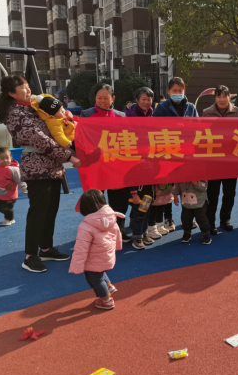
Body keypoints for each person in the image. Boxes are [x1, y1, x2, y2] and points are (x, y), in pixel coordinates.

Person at [0, 75, 80, 273]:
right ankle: (30, 255)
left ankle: (46, 248)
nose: (27, 90)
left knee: (50, 211)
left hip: (53, 167)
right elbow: (40, 140)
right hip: (37, 168)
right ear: (11, 93)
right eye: (22, 88)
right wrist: (70, 156)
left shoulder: (33, 106)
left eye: (27, 86)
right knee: (38, 213)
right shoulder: (15, 113)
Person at [79, 84, 132, 240]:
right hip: (95, 166)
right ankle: (96, 231)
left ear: (113, 98)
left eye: (106, 98)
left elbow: (127, 139)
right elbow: (80, 139)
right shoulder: (86, 115)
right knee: (96, 199)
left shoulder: (121, 116)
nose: (102, 101)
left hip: (116, 165)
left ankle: (119, 230)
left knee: (119, 200)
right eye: (99, 98)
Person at [153, 77, 199, 232]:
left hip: (186, 154)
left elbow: (198, 128)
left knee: (188, 187)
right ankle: (168, 218)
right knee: (166, 187)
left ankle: (189, 217)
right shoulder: (162, 107)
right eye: (174, 91)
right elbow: (154, 129)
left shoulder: (191, 107)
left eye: (180, 90)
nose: (178, 93)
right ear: (168, 91)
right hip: (167, 154)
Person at [68, 189, 122, 310]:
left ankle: (106, 300)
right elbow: (117, 234)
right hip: (107, 256)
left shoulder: (85, 226)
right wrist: (117, 248)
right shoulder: (111, 217)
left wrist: (77, 265)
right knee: (100, 272)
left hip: (93, 259)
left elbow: (81, 248)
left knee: (94, 279)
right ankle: (109, 286)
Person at [202, 85, 238, 234]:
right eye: (219, 96)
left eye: (225, 96)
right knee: (213, 193)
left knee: (229, 193)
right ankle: (210, 222)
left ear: (230, 97)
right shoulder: (207, 113)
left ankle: (225, 219)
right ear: (215, 98)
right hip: (214, 160)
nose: (222, 99)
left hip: (232, 160)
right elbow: (202, 136)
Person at [124, 87, 156, 248]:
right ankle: (137, 237)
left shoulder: (154, 116)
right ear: (137, 100)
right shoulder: (127, 117)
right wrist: (134, 192)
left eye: (149, 99)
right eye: (143, 99)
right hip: (136, 177)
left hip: (149, 177)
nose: (146, 102)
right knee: (138, 210)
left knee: (145, 208)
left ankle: (143, 233)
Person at [172, 180, 212, 244]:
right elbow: (176, 183)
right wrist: (175, 195)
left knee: (201, 218)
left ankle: (206, 234)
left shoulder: (201, 173)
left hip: (199, 202)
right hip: (186, 202)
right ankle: (187, 233)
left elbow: (204, 186)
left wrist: (196, 182)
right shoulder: (181, 174)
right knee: (185, 218)